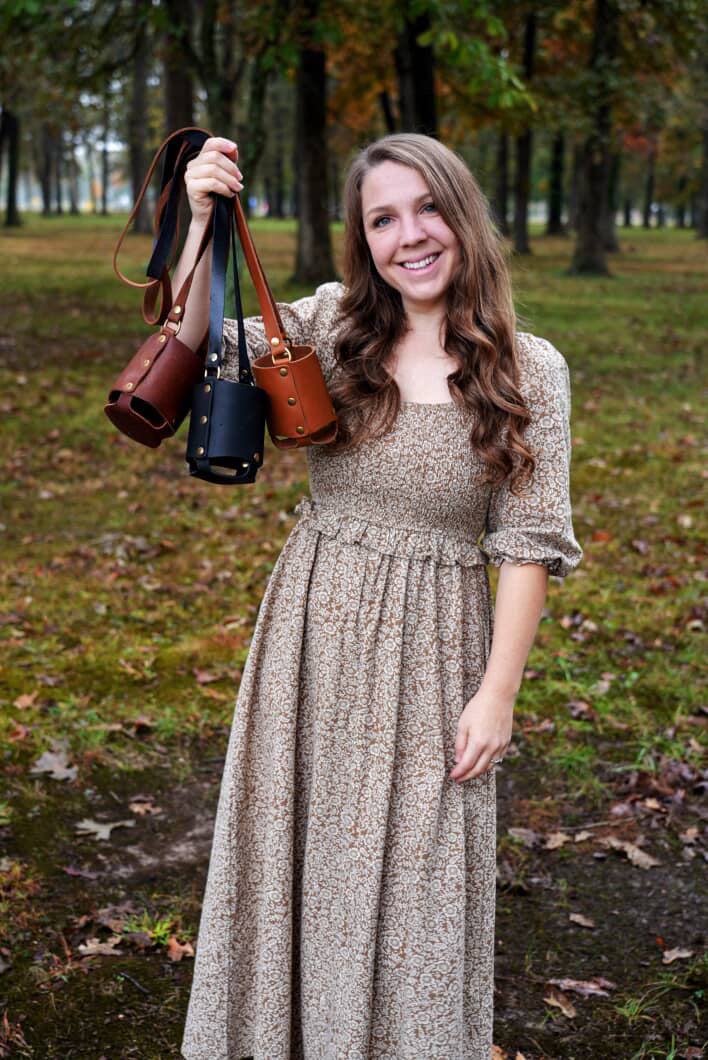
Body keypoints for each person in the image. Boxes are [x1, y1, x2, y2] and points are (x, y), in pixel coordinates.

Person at [177, 133, 583, 1060]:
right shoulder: (332, 328)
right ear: (364, 240)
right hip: (312, 633)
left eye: (428, 208)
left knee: (416, 879)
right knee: (302, 853)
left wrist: (498, 693)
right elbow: (197, 339)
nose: (411, 236)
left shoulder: (530, 370)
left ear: (464, 213)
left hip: (439, 649)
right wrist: (200, 222)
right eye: (383, 219)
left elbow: (526, 546)